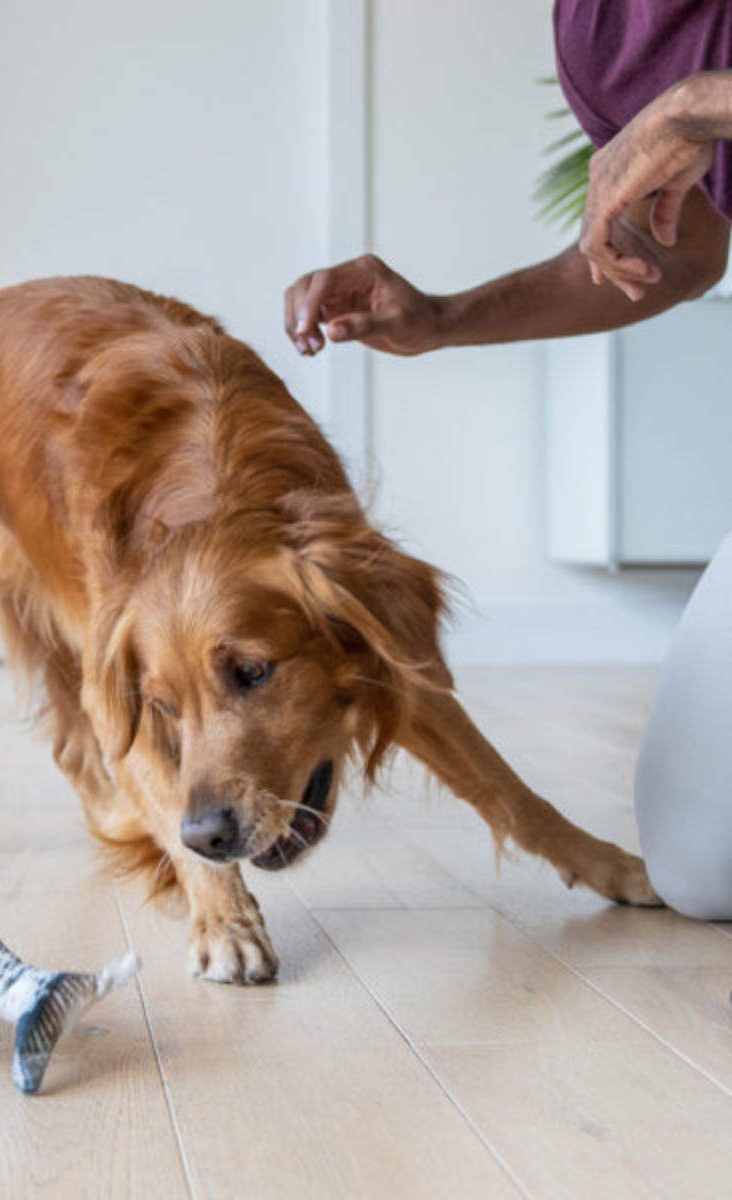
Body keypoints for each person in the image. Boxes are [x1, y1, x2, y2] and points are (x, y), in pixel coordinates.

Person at [284, 1, 732, 919]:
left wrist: (699, 107)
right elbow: (677, 257)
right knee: (703, 862)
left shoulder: (678, 85)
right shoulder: (599, 35)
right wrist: (441, 320)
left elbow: (690, 124)